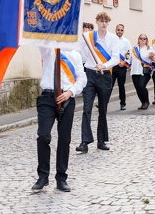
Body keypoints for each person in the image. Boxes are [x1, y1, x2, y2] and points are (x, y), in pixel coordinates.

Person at [32, 48, 87, 192]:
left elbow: (82, 78)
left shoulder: (75, 54)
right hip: (47, 98)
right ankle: (43, 177)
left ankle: (61, 177)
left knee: (64, 139)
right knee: (43, 136)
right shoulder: (49, 50)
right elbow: (42, 40)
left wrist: (70, 92)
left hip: (67, 99)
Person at [77, 12, 119, 153]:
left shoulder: (113, 38)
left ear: (108, 23)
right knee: (86, 108)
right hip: (89, 73)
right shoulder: (88, 36)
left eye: (106, 21)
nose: (103, 23)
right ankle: (85, 141)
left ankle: (101, 140)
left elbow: (116, 59)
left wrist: (104, 65)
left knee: (102, 109)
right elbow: (78, 47)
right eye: (101, 21)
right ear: (96, 22)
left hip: (105, 76)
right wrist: (80, 34)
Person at [130, 34, 155, 110]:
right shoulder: (134, 49)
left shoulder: (150, 49)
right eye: (141, 38)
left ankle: (146, 101)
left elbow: (154, 60)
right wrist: (125, 56)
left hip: (144, 71)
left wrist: (152, 57)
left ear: (146, 40)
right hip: (135, 71)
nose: (142, 40)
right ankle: (142, 102)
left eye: (144, 39)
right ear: (138, 39)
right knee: (137, 88)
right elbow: (128, 58)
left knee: (141, 86)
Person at [112, 24, 131, 110]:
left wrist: (124, 62)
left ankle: (123, 103)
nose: (120, 31)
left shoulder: (126, 41)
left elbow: (128, 53)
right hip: (112, 66)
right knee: (109, 86)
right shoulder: (111, 40)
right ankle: (103, 103)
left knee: (121, 86)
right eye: (118, 30)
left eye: (121, 30)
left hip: (121, 66)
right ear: (115, 30)